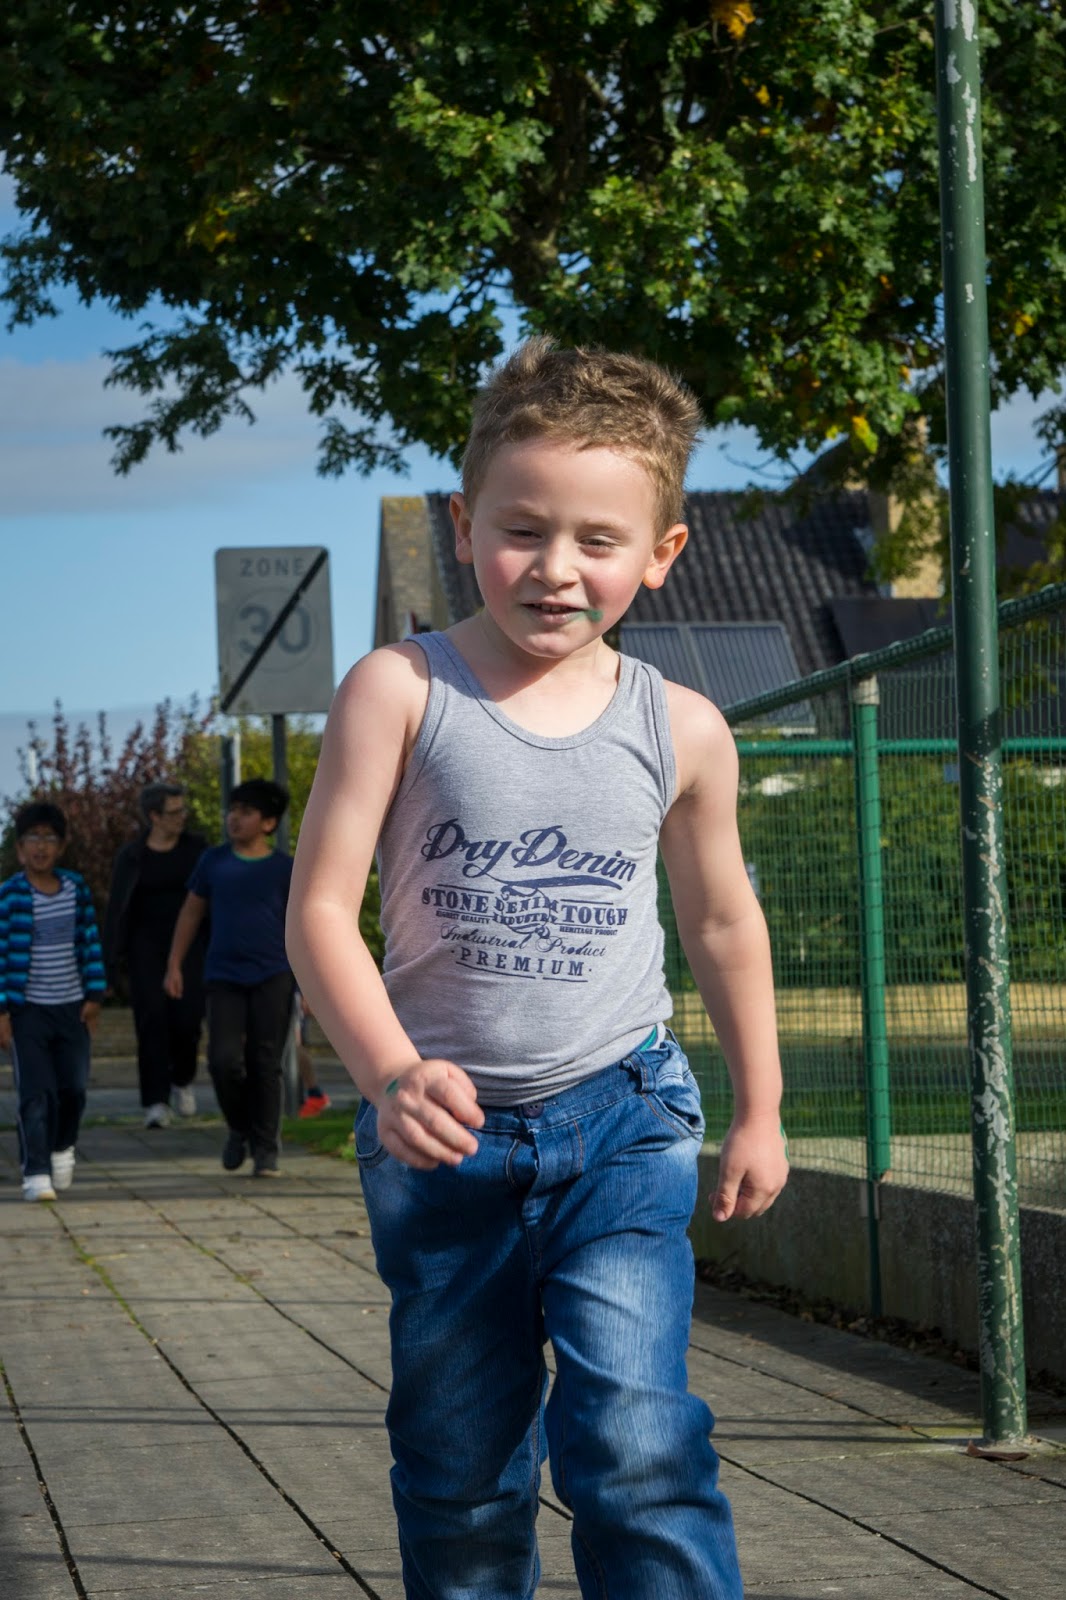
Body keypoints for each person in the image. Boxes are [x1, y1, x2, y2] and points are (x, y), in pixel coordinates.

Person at [286, 338, 790, 1600]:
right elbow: (320, 911)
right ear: (464, 528)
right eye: (521, 530)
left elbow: (723, 922)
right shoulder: (400, 690)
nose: (556, 567)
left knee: (635, 1441)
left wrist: (761, 1107)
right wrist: (388, 1074)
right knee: (458, 1470)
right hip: (441, 1145)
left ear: (661, 552)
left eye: (597, 540)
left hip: (622, 1116)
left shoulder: (682, 727)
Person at [164, 778, 293, 1176]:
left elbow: (303, 927)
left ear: (268, 823)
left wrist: (309, 983)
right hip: (224, 976)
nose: (234, 818)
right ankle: (239, 1128)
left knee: (265, 1062)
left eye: (246, 812)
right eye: (232, 810)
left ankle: (266, 1150)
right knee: (222, 1061)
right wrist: (174, 964)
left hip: (274, 974)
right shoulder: (213, 862)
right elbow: (191, 912)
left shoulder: (285, 869)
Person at [0, 802, 106, 1201]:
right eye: (33, 838)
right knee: (35, 1092)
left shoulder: (75, 889)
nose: (41, 846)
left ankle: (63, 1147)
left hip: (72, 1007)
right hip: (27, 1010)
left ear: (61, 846)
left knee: (73, 1089)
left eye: (49, 838)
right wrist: (2, 1011)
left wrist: (95, 995)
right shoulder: (9, 896)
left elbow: (90, 943)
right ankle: (36, 1172)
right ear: (20, 848)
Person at [103, 782, 207, 1127]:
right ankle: (156, 1102)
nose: (182, 817)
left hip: (191, 948)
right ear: (154, 816)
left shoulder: (196, 850)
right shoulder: (132, 857)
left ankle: (182, 1079)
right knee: (151, 1022)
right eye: (174, 812)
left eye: (182, 810)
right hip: (144, 950)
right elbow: (116, 910)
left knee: (188, 1020)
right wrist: (111, 963)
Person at [294, 993, 331, 1118]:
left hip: (288, 994)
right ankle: (310, 1096)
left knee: (293, 1046)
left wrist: (305, 995)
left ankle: (315, 1095)